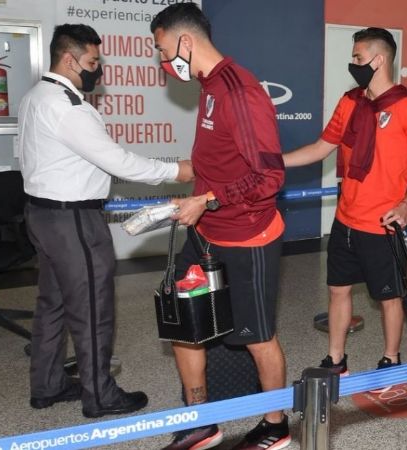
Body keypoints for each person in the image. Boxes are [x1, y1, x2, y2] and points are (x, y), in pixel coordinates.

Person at [17, 24, 193, 418]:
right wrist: (176, 170)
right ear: (68, 58)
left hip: (41, 215)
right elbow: (117, 161)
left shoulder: (34, 96)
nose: (98, 70)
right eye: (93, 62)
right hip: (74, 221)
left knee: (53, 304)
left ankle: (46, 385)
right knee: (93, 308)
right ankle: (100, 395)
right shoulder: (67, 106)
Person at [150, 4, 290, 450]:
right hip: (206, 231)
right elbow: (220, 163)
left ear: (185, 42)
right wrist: (193, 192)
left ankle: (275, 424)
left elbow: (269, 177)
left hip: (249, 238)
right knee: (182, 322)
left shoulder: (239, 92)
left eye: (162, 48)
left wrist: (206, 199)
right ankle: (200, 420)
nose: (161, 60)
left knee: (258, 337)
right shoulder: (208, 86)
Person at [284, 28, 407, 385]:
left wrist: (406, 204)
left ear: (379, 60)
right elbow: (321, 148)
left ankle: (391, 358)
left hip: (383, 224)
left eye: (358, 57)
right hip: (346, 220)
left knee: (390, 297)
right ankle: (336, 359)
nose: (353, 63)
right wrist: (275, 161)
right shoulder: (350, 102)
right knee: (338, 290)